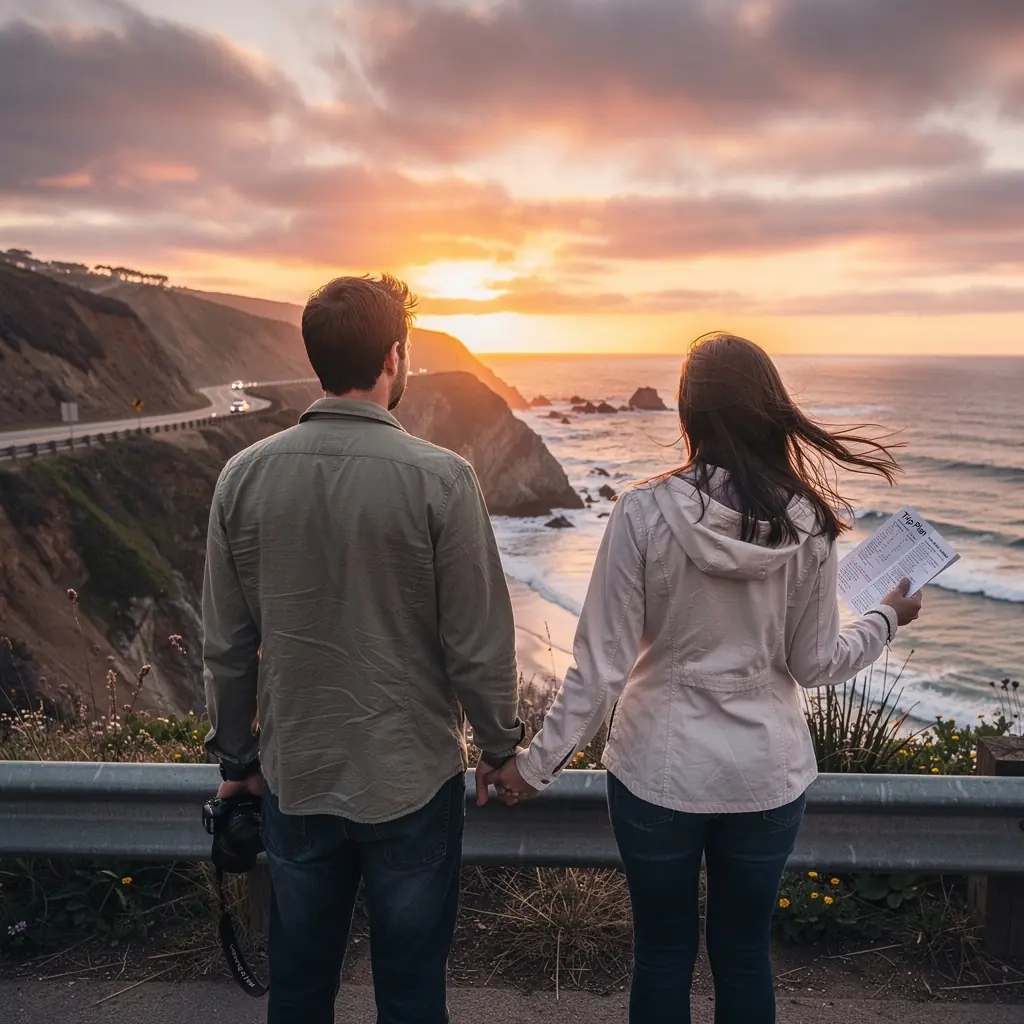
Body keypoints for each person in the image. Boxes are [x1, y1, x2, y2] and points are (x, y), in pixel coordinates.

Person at [485, 333, 924, 1024]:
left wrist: (533, 769)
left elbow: (600, 667)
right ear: (769, 410)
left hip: (658, 771)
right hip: (765, 775)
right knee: (744, 956)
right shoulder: (808, 524)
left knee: (662, 955)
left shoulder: (643, 512)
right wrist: (886, 618)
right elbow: (814, 664)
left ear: (689, 415)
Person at [202, 274, 524, 1024]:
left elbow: (226, 646)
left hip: (297, 772)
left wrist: (237, 762)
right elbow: (478, 645)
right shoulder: (442, 479)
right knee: (411, 991)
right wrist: (502, 746)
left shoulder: (241, 478)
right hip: (411, 776)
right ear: (393, 358)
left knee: (302, 985)